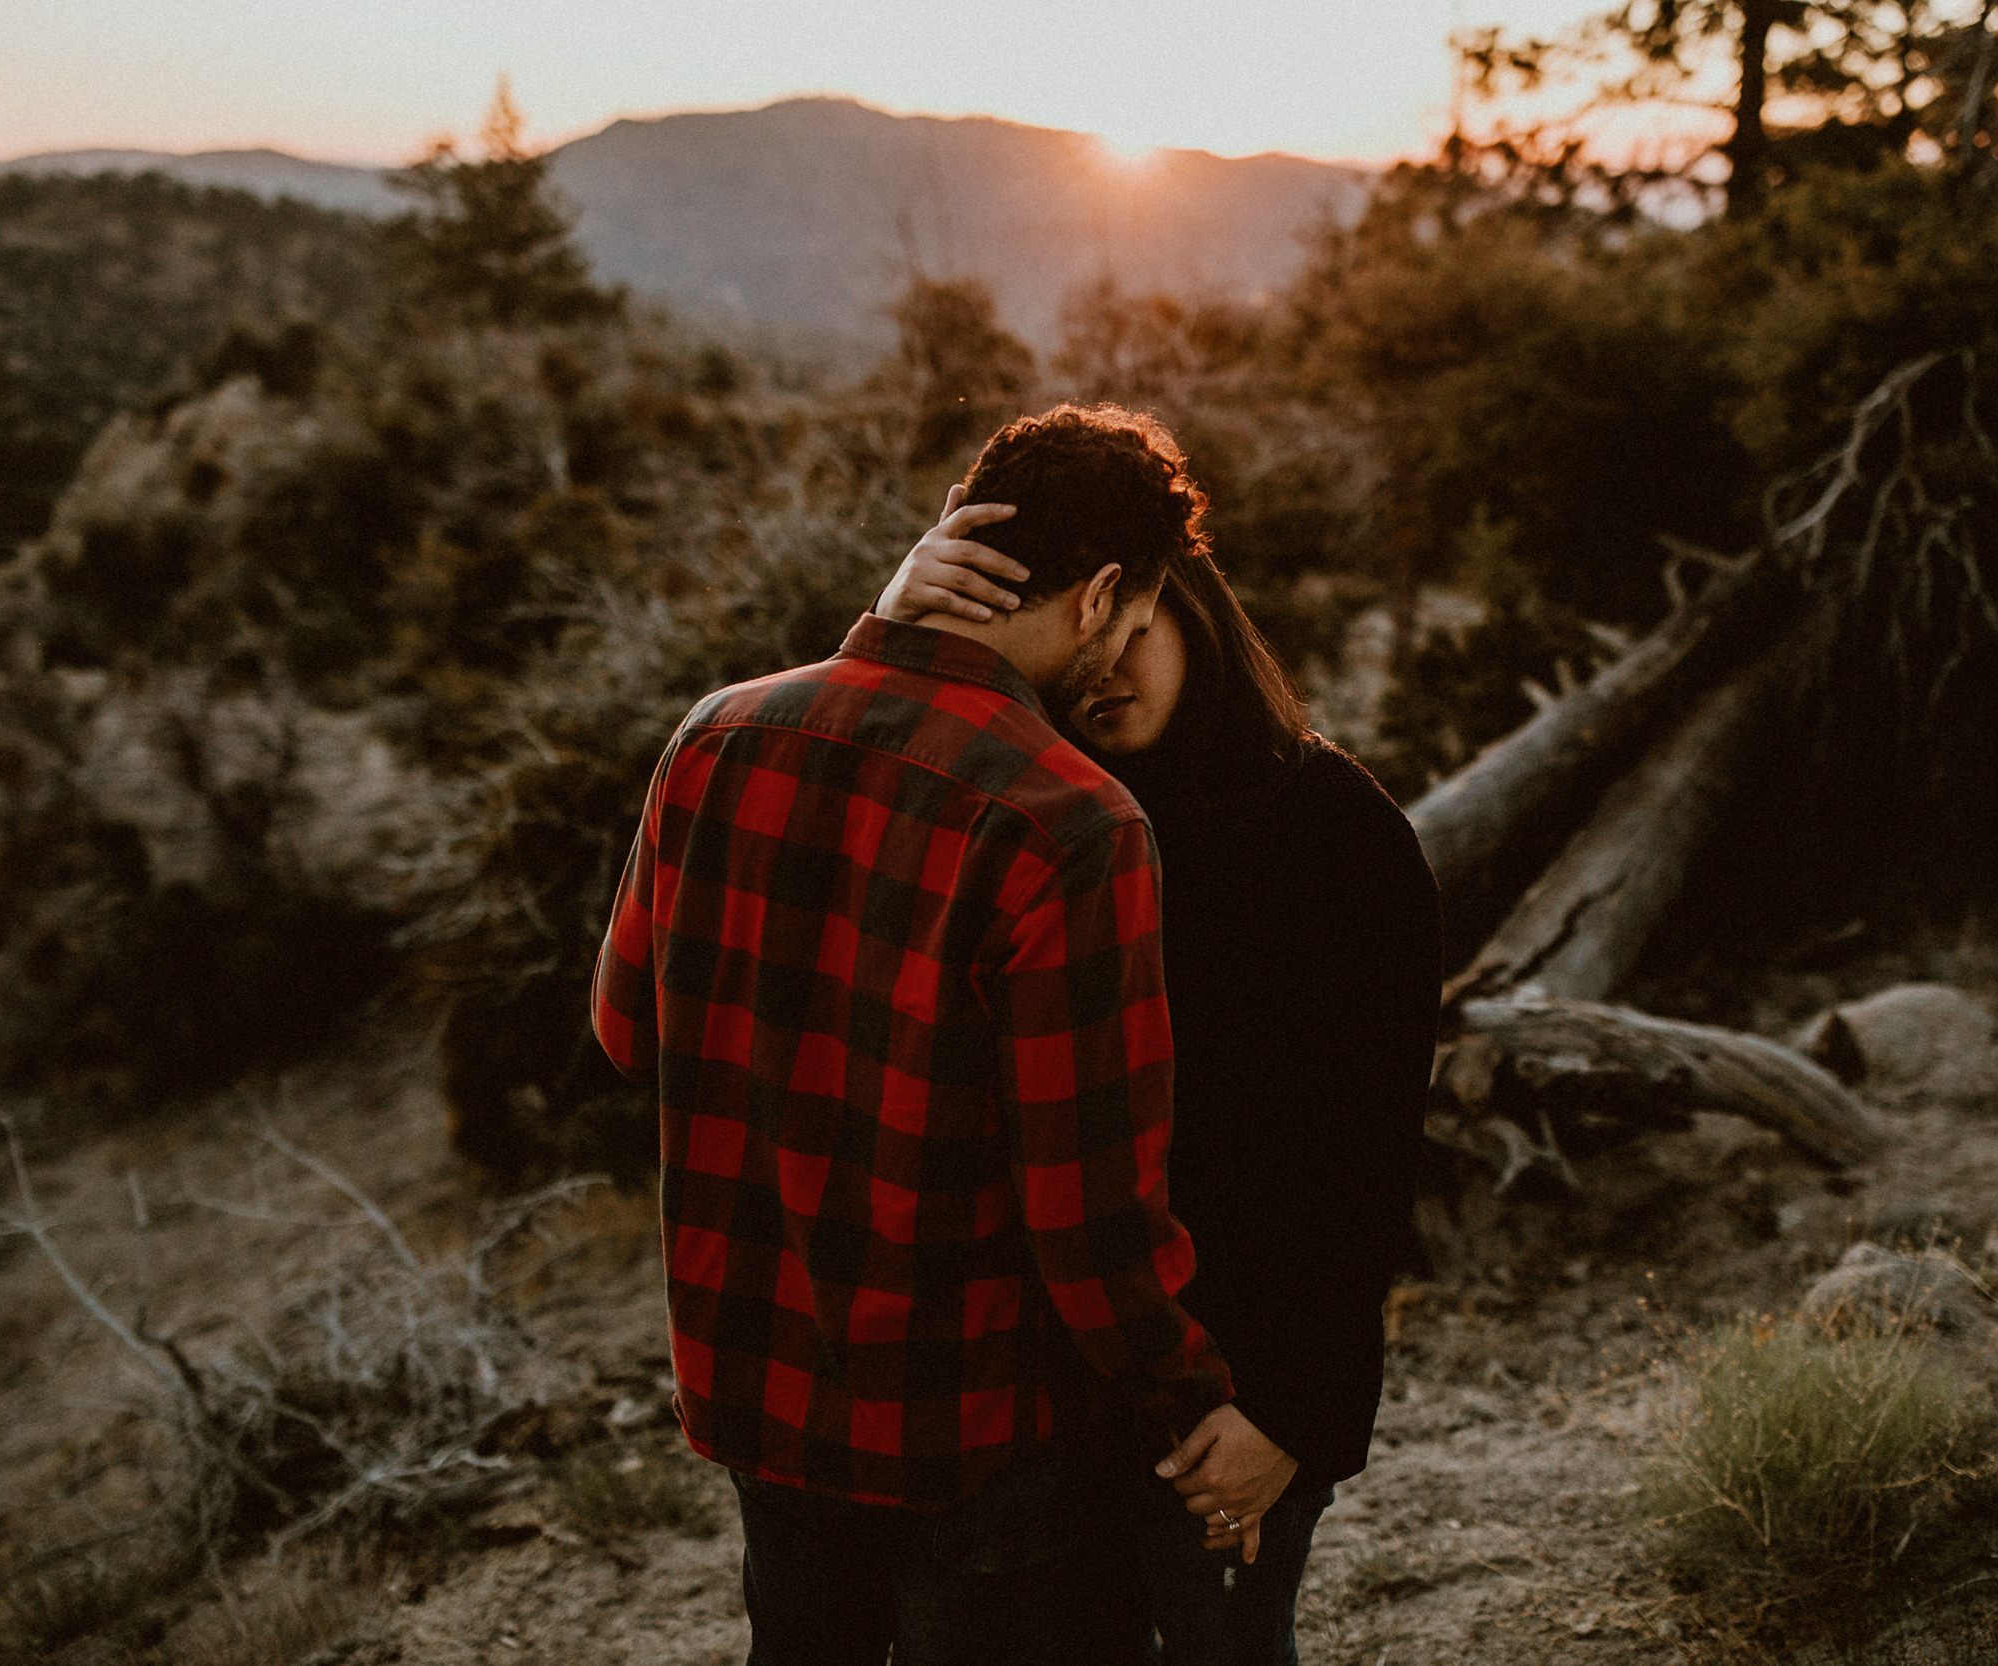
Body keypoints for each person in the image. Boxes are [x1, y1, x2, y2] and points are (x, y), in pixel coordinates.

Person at [591, 404, 1242, 1666]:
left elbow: (629, 1034)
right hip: (964, 1434)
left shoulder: (717, 734)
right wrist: (1190, 1391)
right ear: (1102, 593)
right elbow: (1087, 1212)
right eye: (1132, 615)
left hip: (757, 1390)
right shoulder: (1071, 822)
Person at [880, 482, 1444, 1665]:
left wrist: (1291, 1416)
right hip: (1028, 1400)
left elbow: (1365, 1157)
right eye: (1080, 643)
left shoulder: (1333, 831)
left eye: (1134, 631)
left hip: (1230, 1394)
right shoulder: (1019, 814)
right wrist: (894, 627)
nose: (1107, 669)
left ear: (1183, 605)